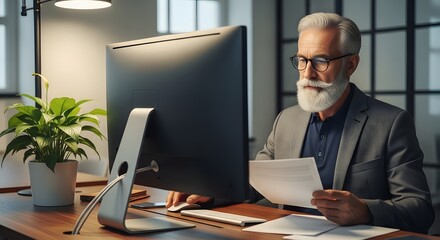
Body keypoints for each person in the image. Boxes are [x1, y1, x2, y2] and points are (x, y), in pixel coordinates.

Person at [166, 12, 434, 233]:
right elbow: (255, 183)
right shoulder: (287, 119)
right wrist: (209, 193)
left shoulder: (391, 123)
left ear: (351, 65)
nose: (307, 73)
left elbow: (420, 210)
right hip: (281, 233)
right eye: (302, 60)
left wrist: (365, 210)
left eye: (321, 61)